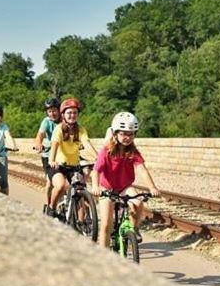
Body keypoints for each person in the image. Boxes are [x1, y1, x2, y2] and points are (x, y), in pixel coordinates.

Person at [91, 112, 160, 247]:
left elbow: (142, 169)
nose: (127, 137)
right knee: (106, 224)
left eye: (131, 134)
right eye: (123, 133)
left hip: (124, 187)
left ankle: (134, 229)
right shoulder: (106, 151)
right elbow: (96, 171)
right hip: (107, 188)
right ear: (115, 134)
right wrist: (95, 187)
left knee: (138, 203)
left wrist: (152, 187)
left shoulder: (133, 151)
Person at [47, 98, 99, 216]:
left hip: (74, 167)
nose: (72, 115)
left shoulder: (80, 130)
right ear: (63, 114)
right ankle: (51, 208)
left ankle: (81, 224)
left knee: (80, 193)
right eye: (69, 113)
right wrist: (52, 160)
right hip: (58, 166)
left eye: (75, 113)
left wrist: (98, 158)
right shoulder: (59, 129)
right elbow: (54, 145)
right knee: (61, 186)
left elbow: (87, 144)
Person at [34, 97, 61, 208]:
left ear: (59, 110)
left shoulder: (65, 119)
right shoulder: (46, 121)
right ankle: (49, 205)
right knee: (50, 182)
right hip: (48, 154)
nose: (52, 113)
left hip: (62, 154)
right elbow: (40, 135)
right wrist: (39, 144)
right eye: (49, 111)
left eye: (54, 110)